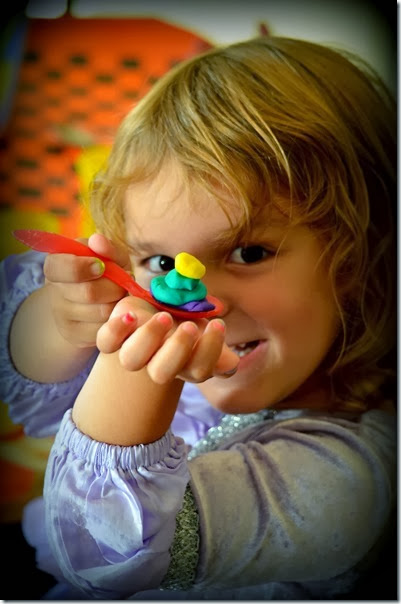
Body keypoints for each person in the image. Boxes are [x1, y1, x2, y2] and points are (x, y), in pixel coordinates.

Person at [0, 35, 396, 600]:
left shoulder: (346, 479)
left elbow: (102, 551)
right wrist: (65, 322)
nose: (190, 297)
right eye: (162, 262)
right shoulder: (201, 372)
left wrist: (138, 372)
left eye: (249, 253)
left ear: (360, 260)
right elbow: (36, 392)